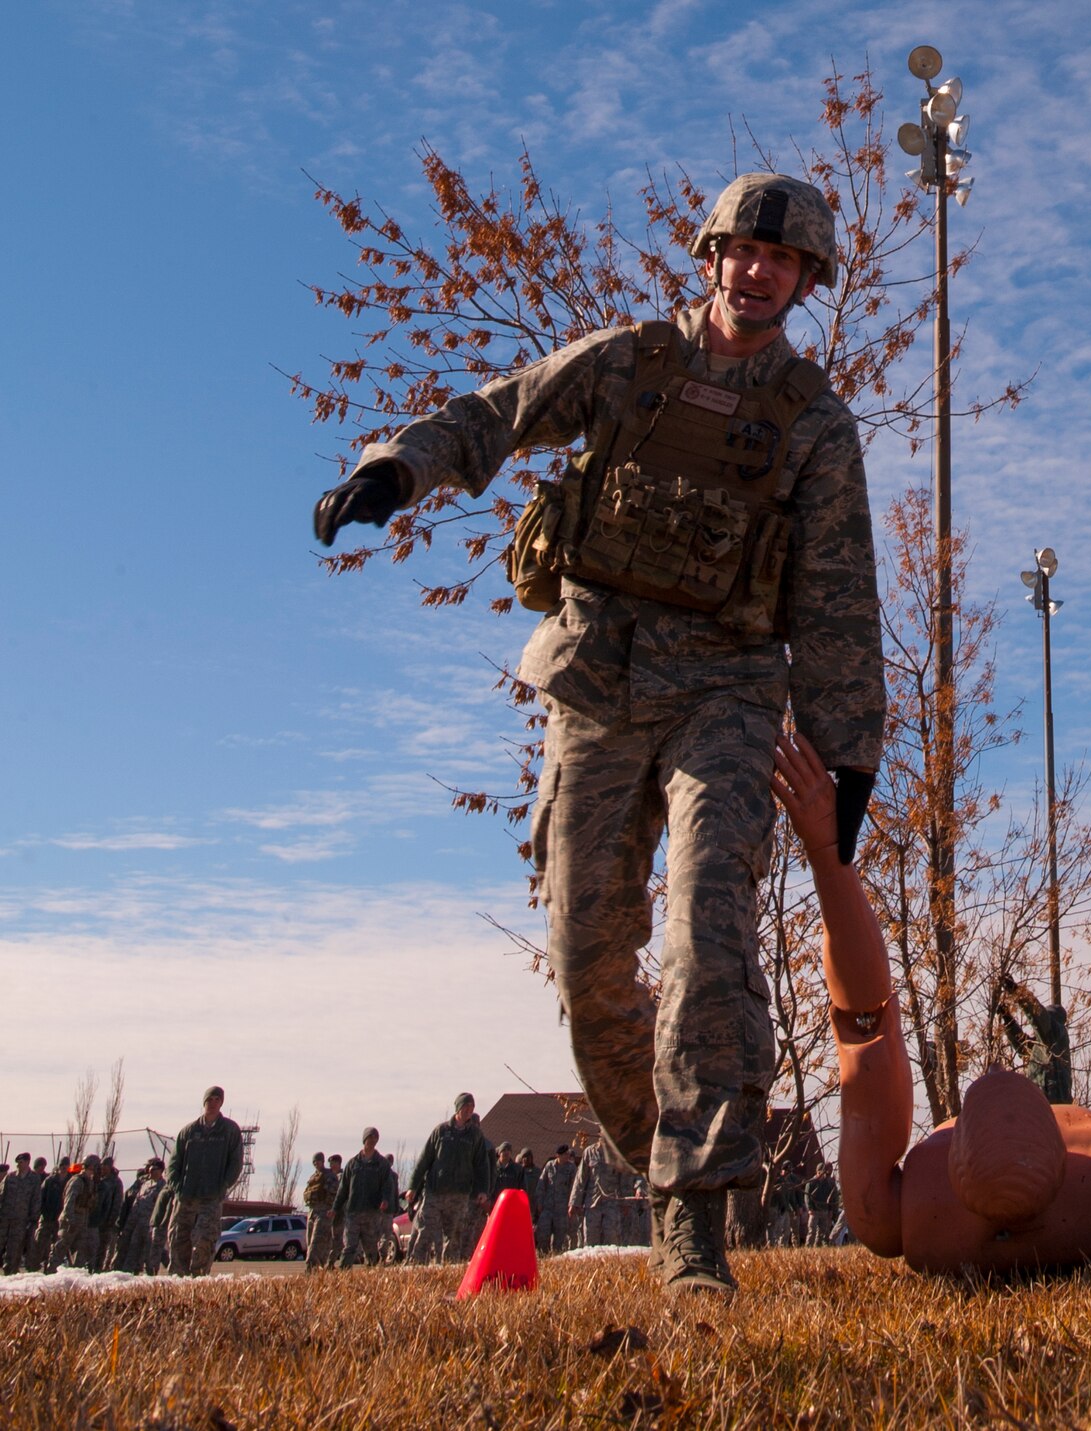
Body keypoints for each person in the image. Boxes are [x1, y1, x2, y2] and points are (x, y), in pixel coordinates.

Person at [311, 172, 887, 1294]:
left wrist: (846, 755)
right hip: (594, 684)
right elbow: (499, 412)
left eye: (787, 260)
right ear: (713, 254)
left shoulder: (813, 421)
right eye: (745, 250)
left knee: (708, 937)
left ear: (807, 280)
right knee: (587, 957)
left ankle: (694, 1219)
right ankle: (657, 1151)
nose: (761, 270)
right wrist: (399, 466)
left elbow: (837, 598)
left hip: (724, 694)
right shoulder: (629, 362)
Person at [769, 693, 1091, 1281]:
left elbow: (863, 1028)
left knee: (865, 1026)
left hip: (1005, 1209)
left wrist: (827, 855)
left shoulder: (906, 1215)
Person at [166, 1086, 245, 1276]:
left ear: (221, 1103)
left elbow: (235, 1163)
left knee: (204, 1239)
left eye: (217, 1099)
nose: (213, 1103)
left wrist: (222, 1186)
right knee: (178, 1238)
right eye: (210, 1099)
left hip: (211, 1197)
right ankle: (177, 1278)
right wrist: (177, 1188)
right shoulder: (189, 1131)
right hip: (186, 1196)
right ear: (204, 1102)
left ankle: (198, 1277)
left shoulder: (229, 1130)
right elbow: (174, 1163)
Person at [408, 1094, 495, 1263]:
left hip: (460, 1193)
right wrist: (413, 1186)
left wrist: (483, 1190)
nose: (468, 1111)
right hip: (435, 1191)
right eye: (465, 1108)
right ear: (458, 1108)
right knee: (426, 1230)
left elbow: (482, 1166)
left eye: (471, 1109)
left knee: (454, 1234)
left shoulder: (474, 1135)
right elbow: (424, 1160)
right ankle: (417, 1264)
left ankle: (448, 1267)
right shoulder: (441, 1132)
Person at [994, 973, 1073, 1105]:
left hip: (1054, 1102)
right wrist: (1008, 1019)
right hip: (1041, 1104)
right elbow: (1023, 1046)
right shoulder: (1042, 1047)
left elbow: (1036, 1012)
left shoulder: (1056, 1033)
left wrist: (1016, 991)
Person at [335, 1128, 397, 1266]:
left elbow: (388, 1185)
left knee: (370, 1248)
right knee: (349, 1247)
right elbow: (343, 1188)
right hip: (353, 1212)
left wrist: (385, 1200)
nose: (372, 1141)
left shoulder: (381, 1164)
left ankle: (371, 1275)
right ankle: (344, 1275)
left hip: (371, 1212)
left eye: (375, 1139)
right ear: (364, 1140)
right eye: (370, 1138)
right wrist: (335, 1208)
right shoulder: (353, 1163)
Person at [568, 1134, 641, 1249]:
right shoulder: (589, 1152)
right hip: (592, 1203)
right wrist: (574, 1202)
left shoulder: (616, 1154)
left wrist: (625, 1203)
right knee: (590, 1239)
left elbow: (623, 1179)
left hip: (612, 1202)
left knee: (612, 1239)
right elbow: (580, 1179)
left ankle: (610, 1265)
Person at [49, 1155, 99, 1271]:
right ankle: (51, 1272)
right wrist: (70, 1220)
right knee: (60, 1248)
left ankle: (75, 1277)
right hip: (71, 1221)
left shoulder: (90, 1183)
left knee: (80, 1252)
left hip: (82, 1220)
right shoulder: (77, 1181)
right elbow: (69, 1202)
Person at [116, 1159, 167, 1275]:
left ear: (160, 1171)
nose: (150, 1171)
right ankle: (126, 1276)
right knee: (132, 1252)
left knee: (150, 1256)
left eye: (154, 1169)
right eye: (150, 1169)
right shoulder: (145, 1184)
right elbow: (136, 1204)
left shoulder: (163, 1187)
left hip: (151, 1227)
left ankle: (150, 1280)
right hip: (138, 1225)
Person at [0, 1151, 42, 1274]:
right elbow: (1, 1194)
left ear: (28, 1162)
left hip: (21, 1221)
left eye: (21, 1162)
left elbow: (36, 1199)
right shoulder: (10, 1177)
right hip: (5, 1218)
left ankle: (10, 1274)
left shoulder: (34, 1179)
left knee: (14, 1249)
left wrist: (33, 1218)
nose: (18, 1165)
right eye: (17, 1162)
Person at [535, 1145, 578, 1255]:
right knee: (543, 1234)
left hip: (562, 1209)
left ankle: (556, 1258)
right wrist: (540, 1202)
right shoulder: (550, 1166)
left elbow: (575, 1187)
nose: (567, 1156)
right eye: (564, 1154)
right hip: (547, 1207)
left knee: (559, 1237)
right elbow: (541, 1184)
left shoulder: (571, 1169)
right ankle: (543, 1257)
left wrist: (572, 1204)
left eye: (568, 1154)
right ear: (558, 1155)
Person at [302, 1153, 339, 1268]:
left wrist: (330, 1209)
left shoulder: (329, 1176)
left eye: (318, 1161)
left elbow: (333, 1194)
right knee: (309, 1242)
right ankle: (316, 1266)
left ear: (323, 1161)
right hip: (312, 1211)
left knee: (317, 1242)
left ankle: (312, 1267)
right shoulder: (313, 1177)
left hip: (324, 1212)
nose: (316, 1164)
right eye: (314, 1162)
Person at [88, 1158, 122, 1271]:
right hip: (94, 1219)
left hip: (106, 1220)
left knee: (101, 1248)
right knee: (91, 1247)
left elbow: (116, 1203)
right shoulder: (98, 1179)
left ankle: (97, 1270)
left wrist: (111, 1220)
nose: (102, 1168)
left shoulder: (116, 1182)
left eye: (105, 1166)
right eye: (101, 1166)